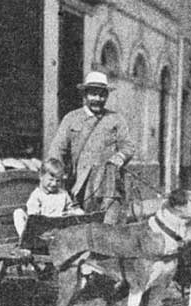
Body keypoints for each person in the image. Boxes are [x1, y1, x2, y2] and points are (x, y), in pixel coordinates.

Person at [48, 71, 135, 224]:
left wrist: (119, 157)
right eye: (93, 94)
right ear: (85, 95)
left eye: (102, 95)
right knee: (80, 227)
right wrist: (57, 176)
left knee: (109, 229)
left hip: (109, 185)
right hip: (78, 185)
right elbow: (57, 150)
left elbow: (127, 146)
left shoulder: (116, 119)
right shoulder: (71, 118)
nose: (98, 99)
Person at [13, 158, 84, 238]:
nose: (54, 184)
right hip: (41, 229)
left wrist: (72, 212)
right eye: (50, 180)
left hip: (58, 228)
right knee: (18, 213)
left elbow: (71, 207)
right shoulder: (37, 195)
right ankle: (26, 240)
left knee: (80, 212)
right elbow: (33, 217)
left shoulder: (63, 194)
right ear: (41, 177)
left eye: (58, 181)